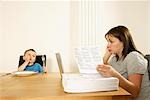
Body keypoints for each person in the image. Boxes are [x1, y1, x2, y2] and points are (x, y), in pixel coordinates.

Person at [96, 25, 150, 100]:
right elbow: (102, 71)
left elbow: (135, 92)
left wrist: (114, 74)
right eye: (107, 42)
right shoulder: (114, 59)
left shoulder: (134, 57)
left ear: (123, 41)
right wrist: (106, 56)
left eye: (111, 42)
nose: (108, 45)